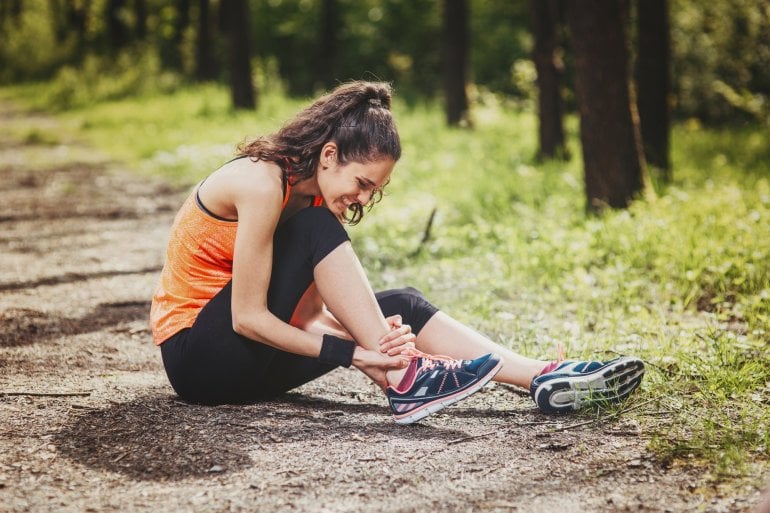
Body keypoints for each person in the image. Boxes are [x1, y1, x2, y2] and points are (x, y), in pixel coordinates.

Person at [149, 80, 645, 424]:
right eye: (362, 183)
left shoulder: (314, 197)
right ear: (328, 155)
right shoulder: (260, 183)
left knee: (401, 306)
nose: (364, 199)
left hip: (249, 365)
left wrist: (381, 345)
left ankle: (540, 377)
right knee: (324, 237)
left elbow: (304, 318)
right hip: (199, 361)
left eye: (374, 190)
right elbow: (249, 319)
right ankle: (407, 381)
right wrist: (357, 353)